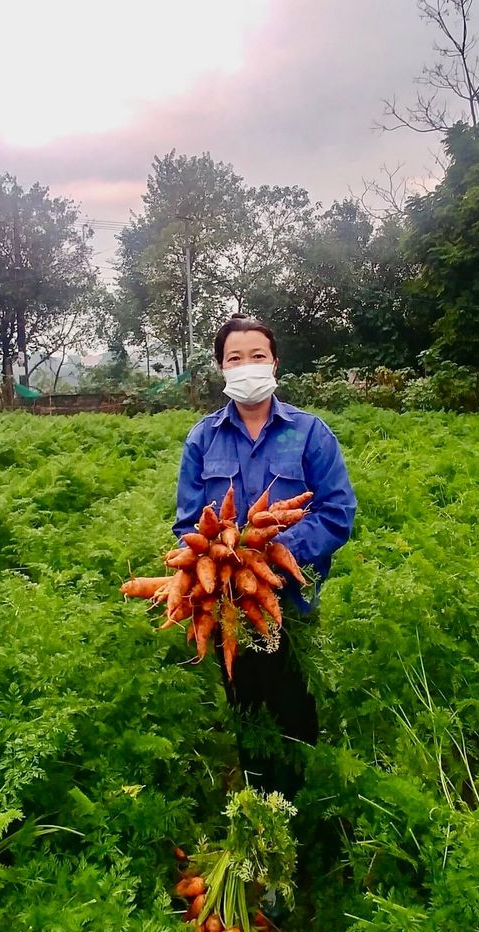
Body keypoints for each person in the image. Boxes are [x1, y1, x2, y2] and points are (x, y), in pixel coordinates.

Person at [173, 314, 357, 802]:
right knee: (246, 709)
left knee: (295, 707)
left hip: (290, 604)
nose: (247, 366)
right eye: (236, 358)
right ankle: (257, 794)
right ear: (221, 368)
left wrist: (269, 556)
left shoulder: (309, 434)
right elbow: (187, 524)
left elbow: (337, 513)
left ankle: (297, 800)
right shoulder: (203, 439)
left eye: (257, 356)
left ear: (275, 362)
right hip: (227, 605)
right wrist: (220, 562)